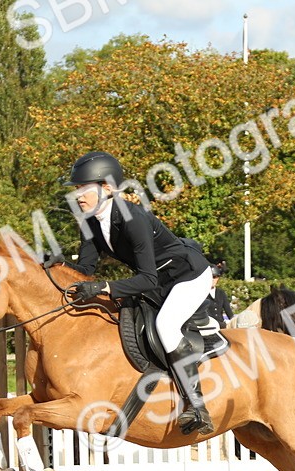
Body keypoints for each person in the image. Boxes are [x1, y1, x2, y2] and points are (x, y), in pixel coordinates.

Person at [64, 151, 216, 436]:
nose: (78, 195)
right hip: (159, 282)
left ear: (107, 188)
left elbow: (146, 278)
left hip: (187, 276)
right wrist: (56, 265)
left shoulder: (133, 218)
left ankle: (197, 407)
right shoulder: (89, 221)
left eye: (83, 188)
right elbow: (85, 269)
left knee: (165, 326)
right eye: (76, 189)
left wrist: (105, 287)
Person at [203, 262, 234, 328]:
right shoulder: (202, 293)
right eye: (211, 277)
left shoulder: (221, 293)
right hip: (208, 326)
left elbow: (228, 311)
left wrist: (234, 322)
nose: (212, 280)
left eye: (215, 277)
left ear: (218, 278)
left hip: (221, 325)